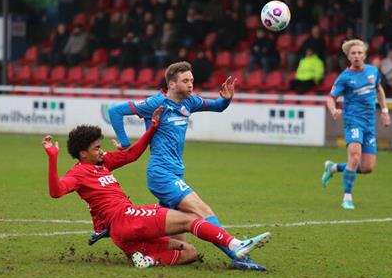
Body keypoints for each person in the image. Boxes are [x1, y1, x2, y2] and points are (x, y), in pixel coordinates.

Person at [41, 107, 270, 268]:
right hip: (125, 219)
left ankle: (147, 260)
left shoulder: (103, 164)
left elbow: (132, 154)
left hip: (124, 233)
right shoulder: (78, 173)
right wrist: (53, 158)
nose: (102, 151)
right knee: (188, 219)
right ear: (83, 154)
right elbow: (56, 191)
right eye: (97, 148)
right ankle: (235, 244)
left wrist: (151, 129)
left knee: (189, 252)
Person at [107, 61, 266, 271]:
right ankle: (235, 249)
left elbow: (217, 106)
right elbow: (114, 111)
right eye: (185, 80)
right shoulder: (156, 102)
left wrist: (226, 99)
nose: (191, 84)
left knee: (179, 239)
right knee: (201, 210)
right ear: (172, 84)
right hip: (161, 174)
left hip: (175, 173)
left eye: (192, 80)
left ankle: (144, 254)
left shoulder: (189, 102)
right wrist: (125, 143)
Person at [321, 39, 391, 210]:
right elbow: (330, 98)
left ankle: (333, 167)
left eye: (360, 53)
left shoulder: (373, 72)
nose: (357, 56)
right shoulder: (345, 77)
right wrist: (334, 110)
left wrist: (385, 111)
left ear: (365, 55)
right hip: (353, 121)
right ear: (348, 56)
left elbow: (379, 90)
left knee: (367, 168)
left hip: (369, 123)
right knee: (355, 157)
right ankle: (347, 197)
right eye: (353, 53)